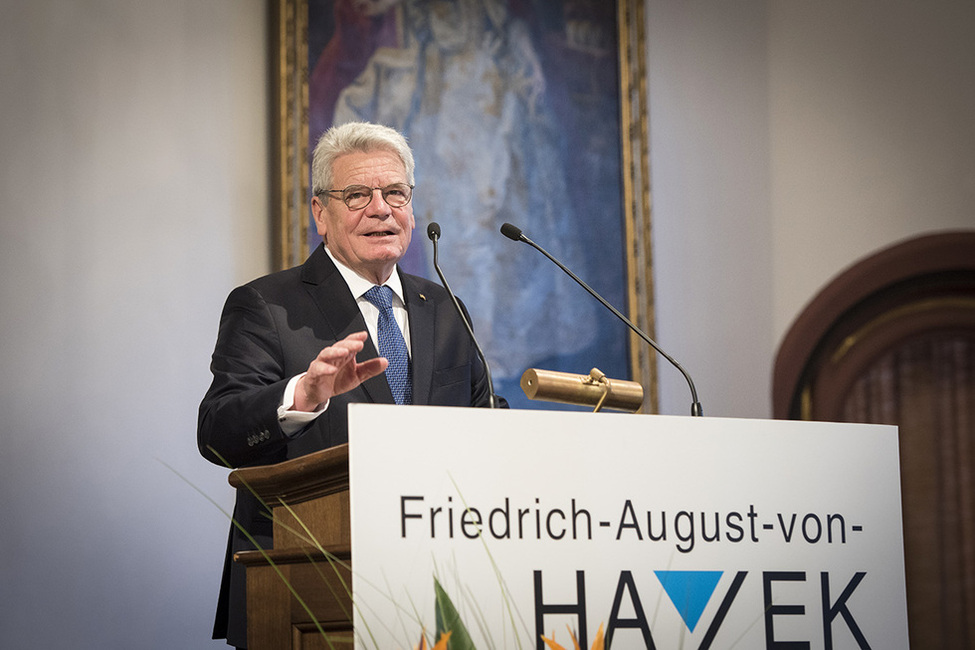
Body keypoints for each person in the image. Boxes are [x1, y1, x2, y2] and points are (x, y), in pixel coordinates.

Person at [198, 121, 499, 648]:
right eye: (357, 194)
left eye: (395, 193)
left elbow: (483, 433)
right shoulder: (267, 306)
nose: (380, 208)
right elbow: (217, 433)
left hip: (439, 589)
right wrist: (301, 397)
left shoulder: (448, 311)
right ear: (321, 212)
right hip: (306, 585)